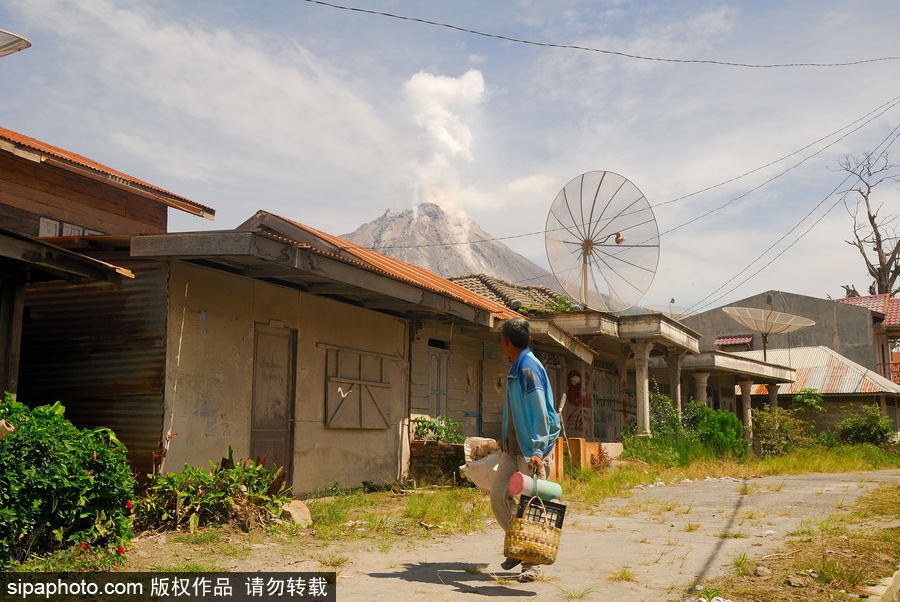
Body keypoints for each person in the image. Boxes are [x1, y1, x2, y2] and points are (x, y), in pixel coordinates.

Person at [490, 317, 561, 583]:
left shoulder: (528, 368)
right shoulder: (517, 366)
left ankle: (532, 565)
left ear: (506, 341)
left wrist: (539, 451)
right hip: (513, 449)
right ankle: (519, 546)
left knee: (532, 506)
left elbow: (540, 413)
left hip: (532, 450)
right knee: (498, 495)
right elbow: (518, 411)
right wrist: (505, 438)